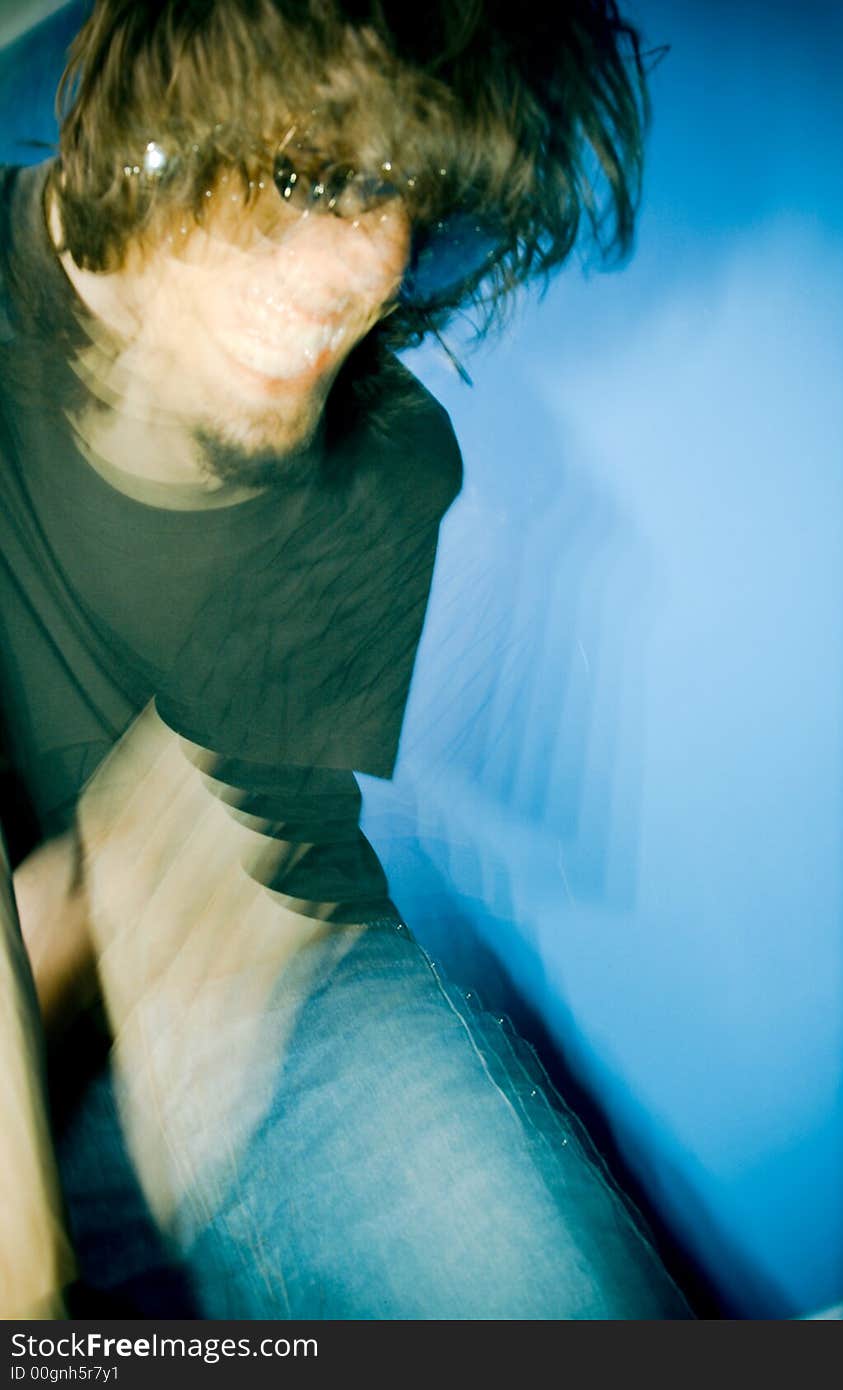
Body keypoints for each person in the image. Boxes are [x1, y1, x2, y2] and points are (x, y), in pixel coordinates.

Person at [0, 0, 692, 1318]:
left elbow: (193, 847)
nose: (372, 263)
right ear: (161, 112)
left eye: (413, 194)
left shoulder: (395, 450)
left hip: (280, 957)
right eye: (311, 170)